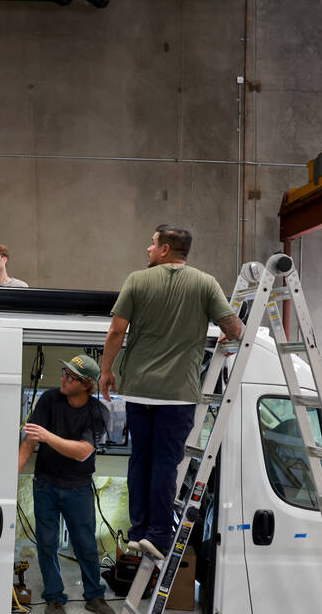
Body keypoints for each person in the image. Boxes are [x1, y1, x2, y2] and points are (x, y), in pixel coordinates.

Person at [98, 225, 243, 560]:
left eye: (151, 244)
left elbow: (116, 332)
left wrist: (106, 371)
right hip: (178, 393)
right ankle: (159, 536)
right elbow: (235, 328)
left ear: (165, 249)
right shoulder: (205, 283)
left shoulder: (136, 280)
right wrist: (232, 339)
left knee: (140, 461)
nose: (147, 249)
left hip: (138, 389)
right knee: (166, 464)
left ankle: (139, 532)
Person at [18, 355, 115, 614]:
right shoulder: (50, 400)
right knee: (47, 543)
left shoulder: (98, 412)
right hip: (46, 484)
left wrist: (47, 436)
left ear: (85, 384)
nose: (63, 378)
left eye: (70, 376)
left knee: (85, 545)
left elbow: (83, 452)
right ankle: (54, 599)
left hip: (79, 488)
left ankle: (94, 596)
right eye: (64, 372)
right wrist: (8, 475)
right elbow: (29, 442)